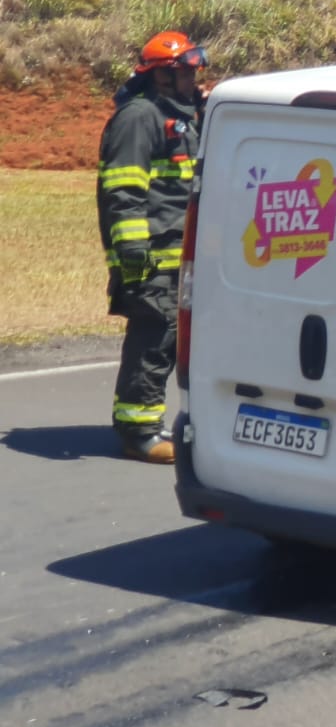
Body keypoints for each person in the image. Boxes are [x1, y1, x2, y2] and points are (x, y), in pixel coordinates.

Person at [97, 30, 207, 463]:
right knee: (154, 336)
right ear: (162, 75)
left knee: (178, 338)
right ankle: (139, 432)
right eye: (186, 72)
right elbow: (123, 188)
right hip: (151, 254)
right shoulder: (139, 117)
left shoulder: (181, 116)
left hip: (182, 250)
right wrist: (132, 251)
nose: (194, 79)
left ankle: (161, 424)